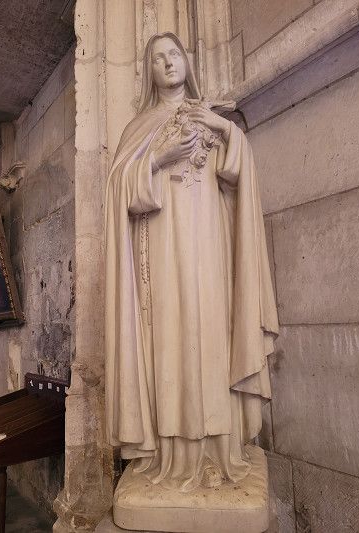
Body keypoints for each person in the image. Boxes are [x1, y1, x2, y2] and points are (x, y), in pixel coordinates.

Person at [105, 32, 278, 492]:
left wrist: (226, 129)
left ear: (186, 61)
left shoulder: (211, 117)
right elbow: (118, 191)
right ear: (149, 72)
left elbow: (239, 175)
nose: (167, 63)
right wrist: (158, 158)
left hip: (209, 246)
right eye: (157, 58)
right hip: (161, 253)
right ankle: (173, 454)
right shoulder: (138, 128)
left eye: (174, 54)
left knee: (212, 333)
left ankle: (220, 449)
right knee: (169, 338)